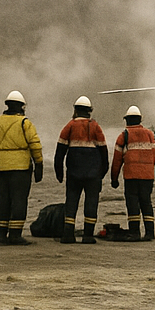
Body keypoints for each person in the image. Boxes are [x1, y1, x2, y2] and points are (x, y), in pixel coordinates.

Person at [0, 90, 43, 245]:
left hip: (1, 167)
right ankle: (15, 235)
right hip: (21, 169)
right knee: (19, 200)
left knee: (3, 200)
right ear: (21, 107)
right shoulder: (25, 123)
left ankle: (0, 235)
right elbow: (35, 145)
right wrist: (39, 164)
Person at [53, 95, 109, 244]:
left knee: (71, 202)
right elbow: (104, 151)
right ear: (89, 111)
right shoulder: (95, 127)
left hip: (74, 173)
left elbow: (59, 152)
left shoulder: (69, 126)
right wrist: (103, 171)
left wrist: (59, 172)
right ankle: (88, 236)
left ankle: (68, 235)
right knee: (91, 202)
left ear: (76, 110)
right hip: (93, 175)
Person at [111, 104, 155, 241]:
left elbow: (117, 160)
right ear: (140, 120)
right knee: (146, 202)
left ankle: (134, 232)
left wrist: (114, 179)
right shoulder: (149, 134)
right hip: (147, 176)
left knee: (132, 203)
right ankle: (150, 233)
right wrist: (148, 167)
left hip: (131, 176)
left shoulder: (123, 136)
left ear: (127, 120)